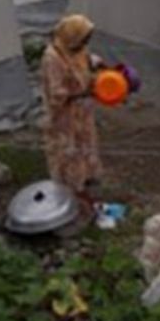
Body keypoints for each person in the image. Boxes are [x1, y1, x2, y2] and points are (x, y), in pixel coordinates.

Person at [40, 14, 104, 215]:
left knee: (85, 141)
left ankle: (85, 178)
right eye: (84, 38)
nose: (86, 43)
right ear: (72, 36)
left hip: (81, 110)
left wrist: (97, 64)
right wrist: (85, 92)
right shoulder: (53, 58)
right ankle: (69, 189)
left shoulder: (75, 47)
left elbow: (86, 59)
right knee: (68, 149)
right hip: (64, 114)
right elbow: (57, 94)